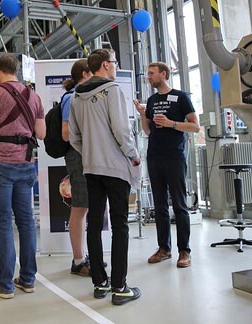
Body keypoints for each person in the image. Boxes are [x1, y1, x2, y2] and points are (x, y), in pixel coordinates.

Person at [69, 48, 142, 306]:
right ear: (105, 65)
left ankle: (100, 283)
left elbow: (73, 137)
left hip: (91, 167)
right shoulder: (113, 90)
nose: (115, 65)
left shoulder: (78, 96)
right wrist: (133, 154)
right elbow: (121, 129)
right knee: (120, 225)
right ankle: (120, 286)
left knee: (95, 224)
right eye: (113, 61)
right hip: (115, 167)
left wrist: (90, 153)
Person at [0, 54, 45, 299]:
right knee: (26, 222)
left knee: (4, 223)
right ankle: (27, 279)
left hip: (0, 165)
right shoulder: (33, 95)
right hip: (26, 164)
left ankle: (5, 284)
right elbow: (41, 132)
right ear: (16, 70)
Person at [133, 61, 200, 268]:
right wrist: (143, 115)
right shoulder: (152, 100)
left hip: (174, 157)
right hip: (154, 156)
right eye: (148, 73)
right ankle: (164, 248)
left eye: (152, 73)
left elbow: (195, 127)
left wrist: (172, 124)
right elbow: (148, 131)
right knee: (160, 205)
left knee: (179, 205)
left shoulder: (180, 97)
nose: (148, 77)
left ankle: (184, 251)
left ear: (164, 74)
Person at [60, 59, 93, 276]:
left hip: (84, 156)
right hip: (77, 156)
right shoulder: (71, 98)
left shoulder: (80, 97)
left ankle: (82, 255)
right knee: (79, 208)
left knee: (84, 207)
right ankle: (78, 259)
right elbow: (66, 133)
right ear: (84, 73)